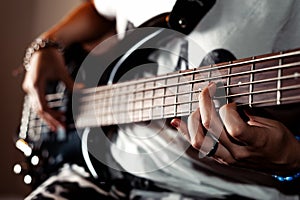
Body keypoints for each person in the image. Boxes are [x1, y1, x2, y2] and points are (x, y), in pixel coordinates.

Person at [22, 0, 300, 199]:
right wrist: (47, 44)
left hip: (225, 190)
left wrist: (292, 160)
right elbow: (98, 8)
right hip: (99, 176)